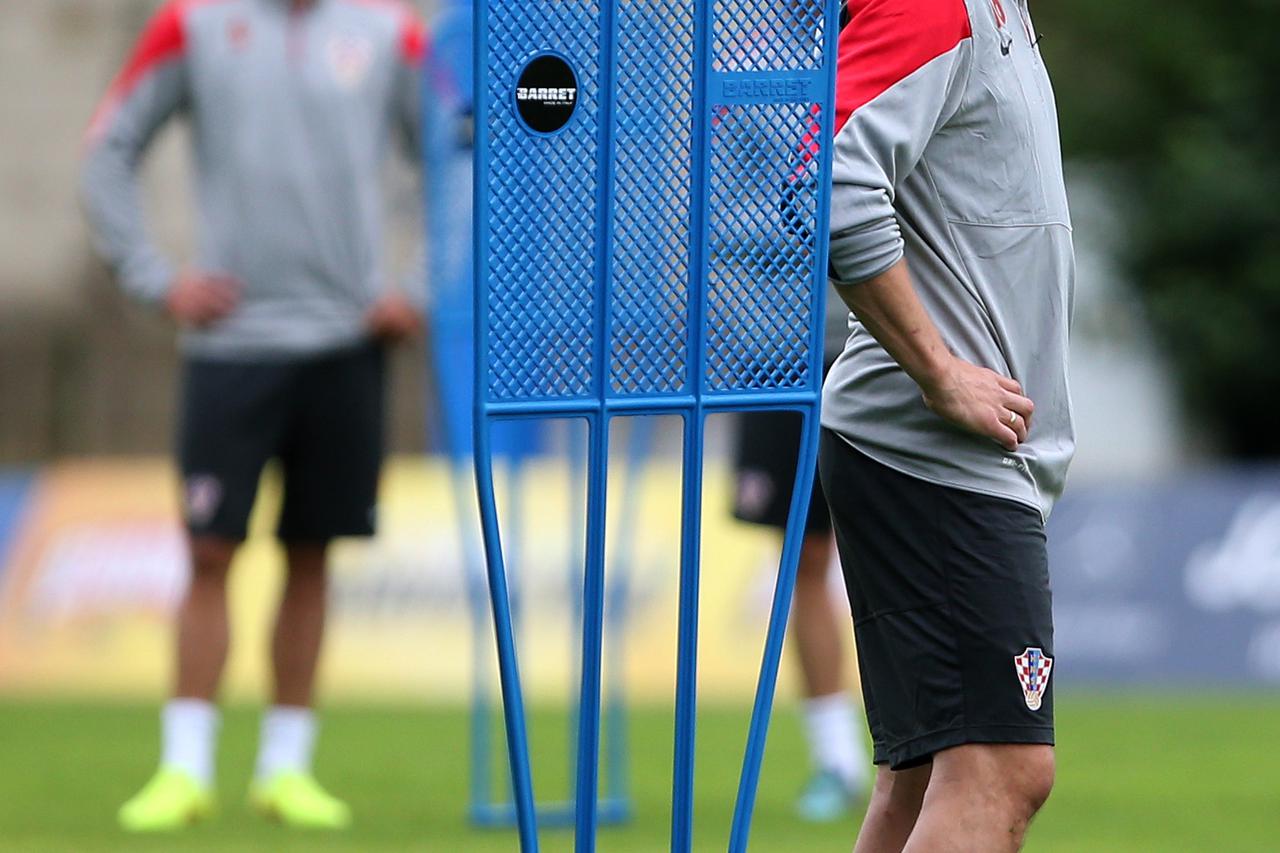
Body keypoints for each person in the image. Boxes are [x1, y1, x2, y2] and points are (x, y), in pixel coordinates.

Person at [80, 0, 441, 832]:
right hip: (230, 346)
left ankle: (286, 770)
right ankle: (184, 770)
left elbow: (465, 156)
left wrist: (418, 285)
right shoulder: (192, 23)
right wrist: (153, 275)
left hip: (347, 345)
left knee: (310, 555)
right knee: (210, 550)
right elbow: (108, 145)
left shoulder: (392, 32)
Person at [819, 0, 1075, 850]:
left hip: (933, 453)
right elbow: (834, 183)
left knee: (924, 777)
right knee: (1000, 767)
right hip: (935, 453)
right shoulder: (932, 4)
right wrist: (936, 370)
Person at [731, 290, 870, 823]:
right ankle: (837, 760)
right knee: (801, 560)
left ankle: (932, 752)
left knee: (904, 548)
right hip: (774, 356)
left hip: (876, 345)